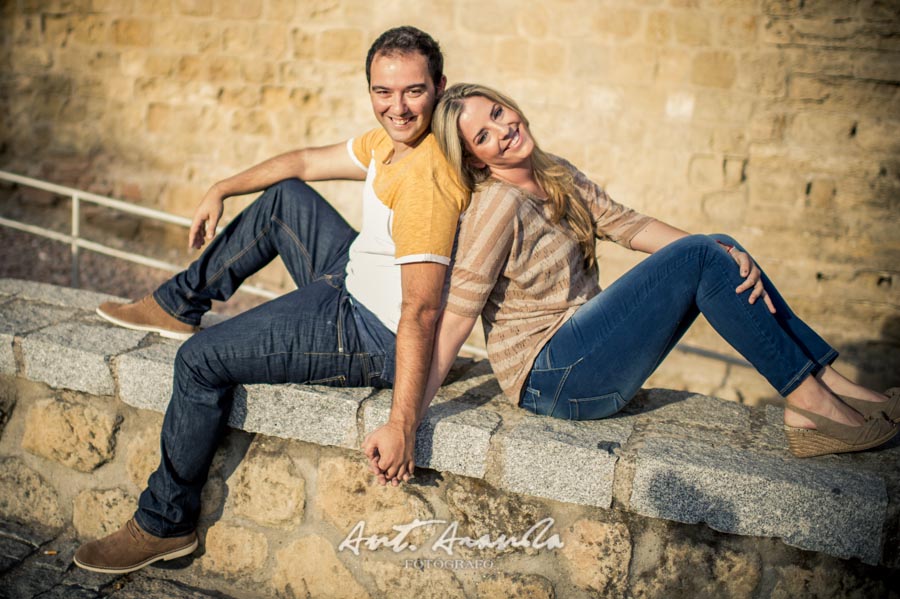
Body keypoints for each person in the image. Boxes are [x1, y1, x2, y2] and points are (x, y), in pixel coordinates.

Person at [73, 26, 469, 574]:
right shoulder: (390, 143)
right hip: (348, 279)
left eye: (413, 92)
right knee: (286, 197)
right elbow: (305, 162)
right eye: (383, 92)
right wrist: (223, 187)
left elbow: (420, 312)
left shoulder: (428, 177)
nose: (396, 107)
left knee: (200, 360)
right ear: (371, 89)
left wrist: (403, 424)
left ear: (440, 87)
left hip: (371, 333)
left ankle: (165, 524)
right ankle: (177, 302)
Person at [365, 82, 899, 486]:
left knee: (716, 242)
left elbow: (630, 225)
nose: (503, 130)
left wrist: (721, 251)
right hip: (551, 378)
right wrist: (404, 422)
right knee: (703, 252)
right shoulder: (496, 207)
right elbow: (454, 322)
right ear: (475, 157)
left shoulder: (555, 173)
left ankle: (833, 386)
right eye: (483, 135)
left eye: (499, 113)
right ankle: (813, 409)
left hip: (582, 352)